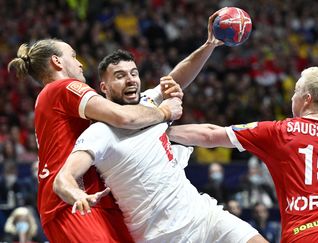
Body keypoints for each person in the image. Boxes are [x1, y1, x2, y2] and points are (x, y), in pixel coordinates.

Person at [167, 31, 318, 243]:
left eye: (296, 91)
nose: (292, 98)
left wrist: (162, 130)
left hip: (304, 237)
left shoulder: (280, 132)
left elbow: (210, 135)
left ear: (307, 99)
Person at [7, 8, 221, 241]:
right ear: (57, 61)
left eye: (133, 73)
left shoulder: (64, 100)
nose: (80, 64)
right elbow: (124, 117)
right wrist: (164, 112)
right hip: (71, 201)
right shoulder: (63, 87)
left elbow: (171, 81)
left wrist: (209, 45)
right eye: (73, 56)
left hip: (97, 199)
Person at [53, 48, 268, 243]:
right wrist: (77, 195)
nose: (130, 80)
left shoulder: (148, 102)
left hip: (204, 216)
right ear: (104, 88)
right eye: (120, 76)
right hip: (161, 236)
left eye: (134, 73)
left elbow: (178, 77)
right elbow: (63, 179)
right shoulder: (100, 132)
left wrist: (210, 44)